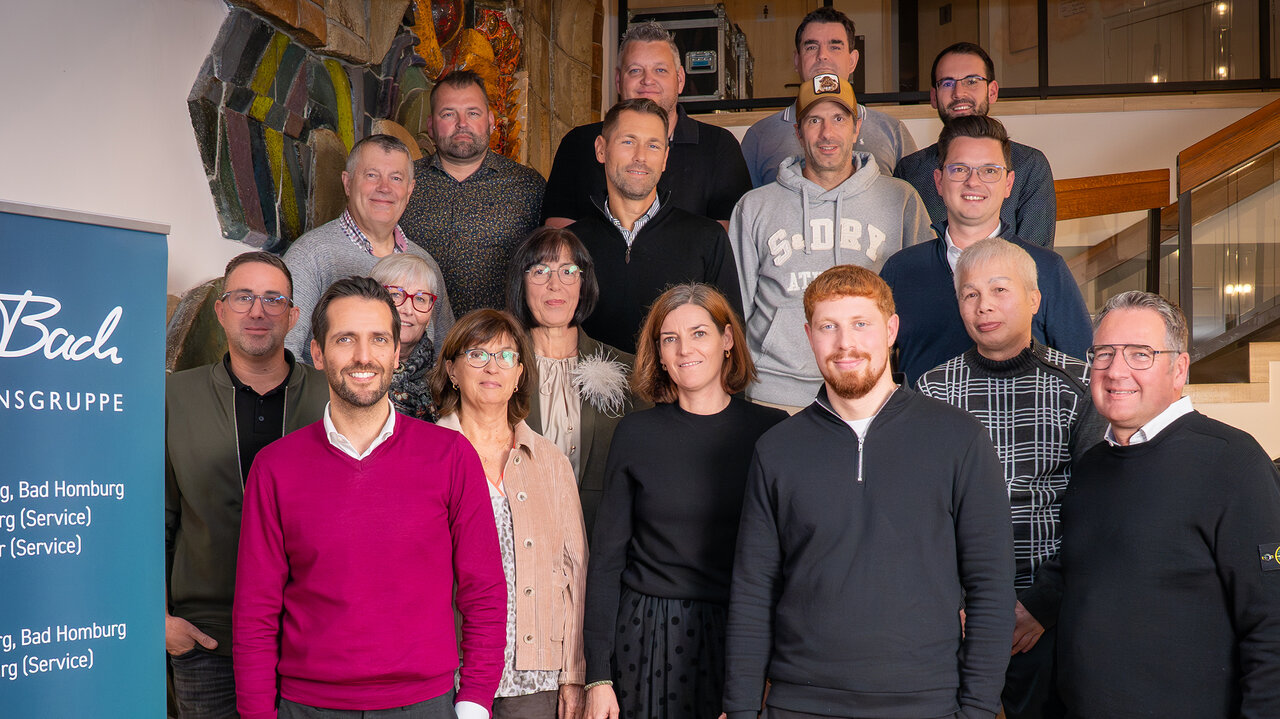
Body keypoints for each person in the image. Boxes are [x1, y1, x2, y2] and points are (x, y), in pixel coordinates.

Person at [723, 264, 1014, 719]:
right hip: (800, 704)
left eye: (861, 324)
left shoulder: (959, 439)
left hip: (926, 704)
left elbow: (991, 587)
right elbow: (752, 592)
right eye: (829, 327)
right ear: (809, 335)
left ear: (891, 329)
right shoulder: (777, 450)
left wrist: (977, 709)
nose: (845, 343)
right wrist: (741, 710)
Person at [233, 276, 505, 719]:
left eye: (378, 339)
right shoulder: (275, 467)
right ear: (317, 353)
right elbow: (255, 612)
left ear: (396, 353)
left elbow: (485, 591)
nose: (364, 356)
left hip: (425, 705)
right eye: (345, 339)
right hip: (308, 707)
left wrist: (475, 700)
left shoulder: (451, 457)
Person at [1049, 291, 1280, 718]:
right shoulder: (1091, 467)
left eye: (1140, 354)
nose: (1116, 370)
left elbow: (1272, 625)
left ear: (1179, 369)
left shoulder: (1234, 463)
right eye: (1104, 353)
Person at [916, 239, 1106, 719]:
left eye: (1000, 290)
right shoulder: (931, 392)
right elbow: (921, 514)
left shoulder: (1080, 386)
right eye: (970, 294)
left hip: (1053, 606)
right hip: (954, 611)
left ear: (1034, 299)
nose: (984, 306)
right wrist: (960, 604)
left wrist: (1042, 604)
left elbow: (1097, 510)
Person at [584, 284, 786, 719]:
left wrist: (773, 668)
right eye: (669, 338)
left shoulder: (770, 431)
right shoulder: (635, 434)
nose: (684, 349)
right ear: (659, 354)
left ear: (727, 339)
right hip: (644, 634)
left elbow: (785, 561)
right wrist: (598, 676)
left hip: (740, 635)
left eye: (699, 333)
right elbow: (605, 561)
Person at [166, 252, 329, 718]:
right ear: (221, 311)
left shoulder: (329, 397)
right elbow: (152, 520)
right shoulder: (175, 397)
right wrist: (158, 620)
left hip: (308, 638)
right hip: (206, 640)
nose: (258, 311)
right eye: (243, 297)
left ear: (293, 316)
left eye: (273, 299)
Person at [731, 72, 931, 409]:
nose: (827, 133)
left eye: (839, 118)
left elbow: (922, 300)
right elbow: (734, 309)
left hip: (871, 392)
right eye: (814, 120)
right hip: (775, 394)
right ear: (798, 131)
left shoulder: (901, 200)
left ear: (856, 128)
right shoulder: (754, 207)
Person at [431, 309, 588, 719]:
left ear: (519, 373)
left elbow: (574, 571)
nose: (492, 367)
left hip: (533, 677)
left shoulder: (550, 460)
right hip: (446, 671)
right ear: (451, 369)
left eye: (505, 356)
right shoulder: (425, 455)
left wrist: (574, 675)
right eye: (477, 354)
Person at [881, 114, 1089, 386]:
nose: (973, 182)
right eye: (959, 169)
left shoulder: (1047, 269)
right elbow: (874, 363)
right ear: (939, 181)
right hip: (922, 413)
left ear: (1009, 184)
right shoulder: (901, 269)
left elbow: (1082, 374)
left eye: (989, 171)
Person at [567, 98, 742, 354]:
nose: (641, 157)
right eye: (628, 142)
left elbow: (730, 344)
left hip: (678, 381)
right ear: (601, 149)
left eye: (653, 145)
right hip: (590, 381)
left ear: (665, 158)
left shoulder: (707, 239)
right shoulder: (569, 244)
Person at [543, 21, 751, 229]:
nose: (647, 80)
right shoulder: (579, 143)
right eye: (635, 70)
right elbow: (557, 232)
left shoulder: (719, 146)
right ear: (618, 80)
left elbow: (728, 237)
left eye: (660, 70)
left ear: (680, 79)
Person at [506, 227, 641, 535]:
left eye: (568, 271)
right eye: (540, 271)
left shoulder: (627, 370)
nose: (555, 284)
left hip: (602, 539)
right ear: (521, 283)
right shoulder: (498, 367)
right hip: (520, 537)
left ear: (583, 283)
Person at [284, 133, 454, 365]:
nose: (384, 188)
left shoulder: (425, 264)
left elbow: (446, 361)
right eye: (372, 175)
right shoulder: (310, 256)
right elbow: (286, 355)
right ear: (347, 183)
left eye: (396, 178)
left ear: (410, 190)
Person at [400, 70, 546, 316]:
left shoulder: (528, 187)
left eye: (473, 113)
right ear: (430, 126)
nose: (462, 123)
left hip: (498, 336)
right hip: (416, 332)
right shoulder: (403, 182)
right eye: (448, 114)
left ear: (491, 121)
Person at [894, 42, 1057, 246]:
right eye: (947, 83)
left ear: (992, 91)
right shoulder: (910, 171)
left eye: (972, 81)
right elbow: (903, 250)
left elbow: (1034, 257)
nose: (958, 93)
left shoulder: (1029, 165)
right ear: (934, 97)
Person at [739, 7, 916, 186]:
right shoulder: (760, 136)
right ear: (797, 60)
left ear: (853, 60)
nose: (822, 56)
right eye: (811, 47)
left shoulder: (892, 131)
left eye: (835, 47)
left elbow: (910, 198)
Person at [369, 253, 441, 420]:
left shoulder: (444, 378)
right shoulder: (354, 365)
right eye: (396, 294)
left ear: (430, 313)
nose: (408, 310)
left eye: (420, 299)